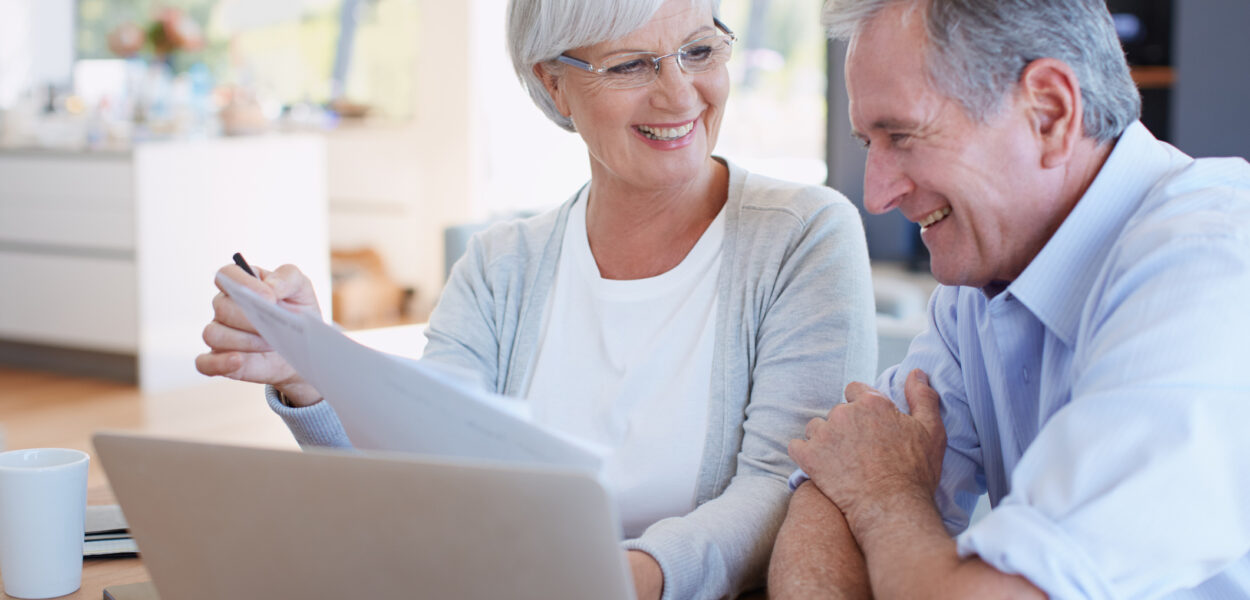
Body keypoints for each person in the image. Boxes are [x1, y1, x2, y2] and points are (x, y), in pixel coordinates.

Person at [196, 0, 878, 598]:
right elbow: (417, 483)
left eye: (699, 51)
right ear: (554, 85)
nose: (681, 94)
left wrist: (624, 580)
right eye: (632, 65)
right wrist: (311, 373)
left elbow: (781, 490)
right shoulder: (500, 266)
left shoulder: (805, 235)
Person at [768, 0, 1250, 598]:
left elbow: (872, 493)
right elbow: (829, 490)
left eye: (903, 135)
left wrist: (887, 499)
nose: (876, 195)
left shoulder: (1212, 273)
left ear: (1048, 113)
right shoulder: (978, 285)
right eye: (870, 143)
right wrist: (870, 488)